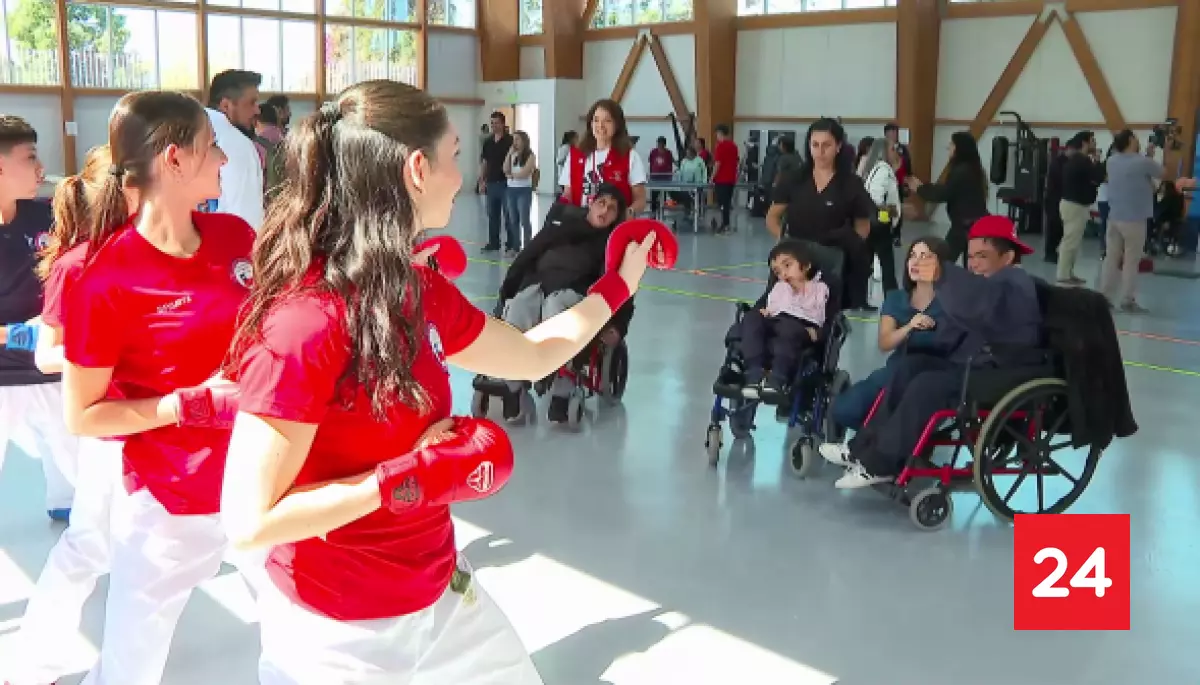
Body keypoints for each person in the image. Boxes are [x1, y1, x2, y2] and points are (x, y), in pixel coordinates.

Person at [217, 80, 656, 685]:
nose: (463, 173)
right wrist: (402, 480)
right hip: (339, 632)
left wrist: (619, 283)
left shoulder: (415, 291)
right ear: (417, 170)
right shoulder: (306, 322)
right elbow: (249, 520)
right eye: (454, 154)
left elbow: (531, 354)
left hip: (440, 593)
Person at [61, 90, 254, 685]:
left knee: (309, 645)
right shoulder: (105, 280)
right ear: (174, 159)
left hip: (260, 480)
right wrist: (182, 405)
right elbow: (84, 415)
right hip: (171, 506)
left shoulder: (235, 238)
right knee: (129, 670)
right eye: (212, 146)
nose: (224, 160)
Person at [6, 144, 140, 685]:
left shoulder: (153, 249)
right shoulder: (82, 262)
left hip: (149, 422)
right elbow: (50, 350)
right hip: (100, 414)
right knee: (90, 543)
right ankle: (32, 664)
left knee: (100, 539)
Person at [820, 216, 1041, 488]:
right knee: (908, 367)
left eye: (982, 256)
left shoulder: (1013, 282)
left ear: (1007, 257)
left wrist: (944, 275)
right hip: (971, 363)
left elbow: (981, 304)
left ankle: (881, 463)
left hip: (1000, 372)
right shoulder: (990, 283)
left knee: (927, 385)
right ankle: (862, 448)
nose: (973, 264)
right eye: (970, 256)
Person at [494, 184, 635, 423]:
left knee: (556, 310)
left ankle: (562, 390)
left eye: (612, 209)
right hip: (538, 283)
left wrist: (619, 326)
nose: (605, 210)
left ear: (616, 216)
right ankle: (514, 389)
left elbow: (622, 286)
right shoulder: (560, 226)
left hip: (576, 291)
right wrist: (504, 297)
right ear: (591, 203)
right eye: (602, 203)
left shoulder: (611, 244)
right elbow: (526, 256)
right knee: (517, 308)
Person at [0, 114, 78, 522]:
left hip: (47, 366)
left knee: (81, 483)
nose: (40, 168)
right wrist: (12, 335)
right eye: (30, 157)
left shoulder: (45, 217)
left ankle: (70, 512)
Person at [830, 236, 949, 433]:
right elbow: (885, 342)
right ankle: (874, 442)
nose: (916, 262)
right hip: (895, 369)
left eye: (925, 256)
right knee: (845, 409)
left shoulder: (951, 302)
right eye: (912, 256)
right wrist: (909, 327)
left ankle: (876, 446)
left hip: (930, 375)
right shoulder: (896, 299)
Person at [766, 117, 875, 310]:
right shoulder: (794, 179)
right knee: (784, 311)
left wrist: (845, 251)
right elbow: (773, 217)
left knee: (824, 316)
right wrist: (785, 245)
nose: (820, 151)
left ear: (838, 146)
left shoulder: (851, 184)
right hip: (794, 260)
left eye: (826, 145)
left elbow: (862, 226)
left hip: (831, 260)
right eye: (814, 145)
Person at [1100, 129, 1197, 312]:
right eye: (1136, 138)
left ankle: (1104, 297)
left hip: (1114, 217)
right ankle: (1127, 300)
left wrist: (1147, 156)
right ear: (1130, 140)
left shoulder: (1111, 161)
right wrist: (1166, 151)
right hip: (1134, 219)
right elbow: (1166, 174)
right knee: (1131, 260)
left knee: (1110, 258)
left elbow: (1134, 176)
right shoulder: (1142, 162)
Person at [740, 239, 829, 400]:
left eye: (787, 266)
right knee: (752, 318)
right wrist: (764, 312)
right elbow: (772, 305)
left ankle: (778, 379)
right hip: (775, 320)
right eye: (777, 271)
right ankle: (754, 374)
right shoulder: (779, 287)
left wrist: (815, 332)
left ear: (806, 266)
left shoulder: (818, 288)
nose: (783, 274)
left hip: (799, 325)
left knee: (788, 329)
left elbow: (818, 314)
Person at [906, 131, 988, 265]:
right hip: (972, 222)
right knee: (970, 262)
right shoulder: (971, 168)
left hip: (965, 225)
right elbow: (948, 189)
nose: (948, 147)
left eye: (951, 145)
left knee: (944, 262)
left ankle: (940, 284)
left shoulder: (962, 171)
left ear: (959, 148)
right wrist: (922, 187)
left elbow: (944, 193)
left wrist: (919, 189)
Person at [559, 98, 647, 215]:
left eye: (607, 121)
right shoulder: (575, 154)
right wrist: (560, 210)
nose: (600, 125)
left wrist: (629, 212)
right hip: (580, 224)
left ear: (617, 125)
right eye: (596, 120)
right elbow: (568, 193)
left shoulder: (630, 156)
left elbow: (640, 199)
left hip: (615, 226)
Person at [206, 69, 265, 229]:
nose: (257, 110)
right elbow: (246, 222)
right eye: (251, 103)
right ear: (226, 105)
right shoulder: (237, 143)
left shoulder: (188, 133)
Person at [1057, 130, 1104, 284]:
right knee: (1070, 241)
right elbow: (1098, 177)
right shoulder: (1082, 161)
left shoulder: (1077, 160)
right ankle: (1063, 274)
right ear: (1084, 143)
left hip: (1075, 204)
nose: (1095, 143)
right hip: (1074, 205)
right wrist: (1097, 162)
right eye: (1092, 140)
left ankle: (1068, 272)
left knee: (1073, 241)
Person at [861, 137, 902, 294]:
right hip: (880, 222)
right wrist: (888, 209)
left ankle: (860, 298)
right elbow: (876, 194)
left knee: (867, 261)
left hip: (871, 221)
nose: (895, 152)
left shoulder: (873, 168)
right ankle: (892, 296)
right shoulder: (883, 169)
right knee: (887, 263)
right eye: (892, 149)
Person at [479, 111, 514, 254]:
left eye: (497, 123)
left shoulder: (510, 141)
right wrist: (482, 180)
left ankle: (511, 243)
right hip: (492, 183)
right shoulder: (488, 142)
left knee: (508, 215)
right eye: (492, 123)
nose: (494, 126)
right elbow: (485, 162)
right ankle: (494, 242)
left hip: (507, 183)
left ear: (503, 124)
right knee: (493, 215)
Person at [503, 130, 537, 251]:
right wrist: (509, 154)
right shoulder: (512, 154)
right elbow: (505, 168)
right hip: (511, 190)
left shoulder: (530, 155)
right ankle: (515, 247)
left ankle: (528, 247)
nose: (515, 142)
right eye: (513, 139)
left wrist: (511, 175)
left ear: (524, 141)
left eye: (517, 139)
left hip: (523, 190)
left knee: (524, 220)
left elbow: (525, 173)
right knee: (513, 220)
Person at [712, 124, 739, 233]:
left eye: (717, 134)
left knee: (722, 203)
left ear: (720, 133)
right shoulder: (734, 146)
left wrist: (711, 177)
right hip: (731, 179)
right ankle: (726, 223)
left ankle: (725, 224)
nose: (716, 136)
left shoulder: (720, 146)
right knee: (727, 203)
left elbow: (718, 164)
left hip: (722, 179)